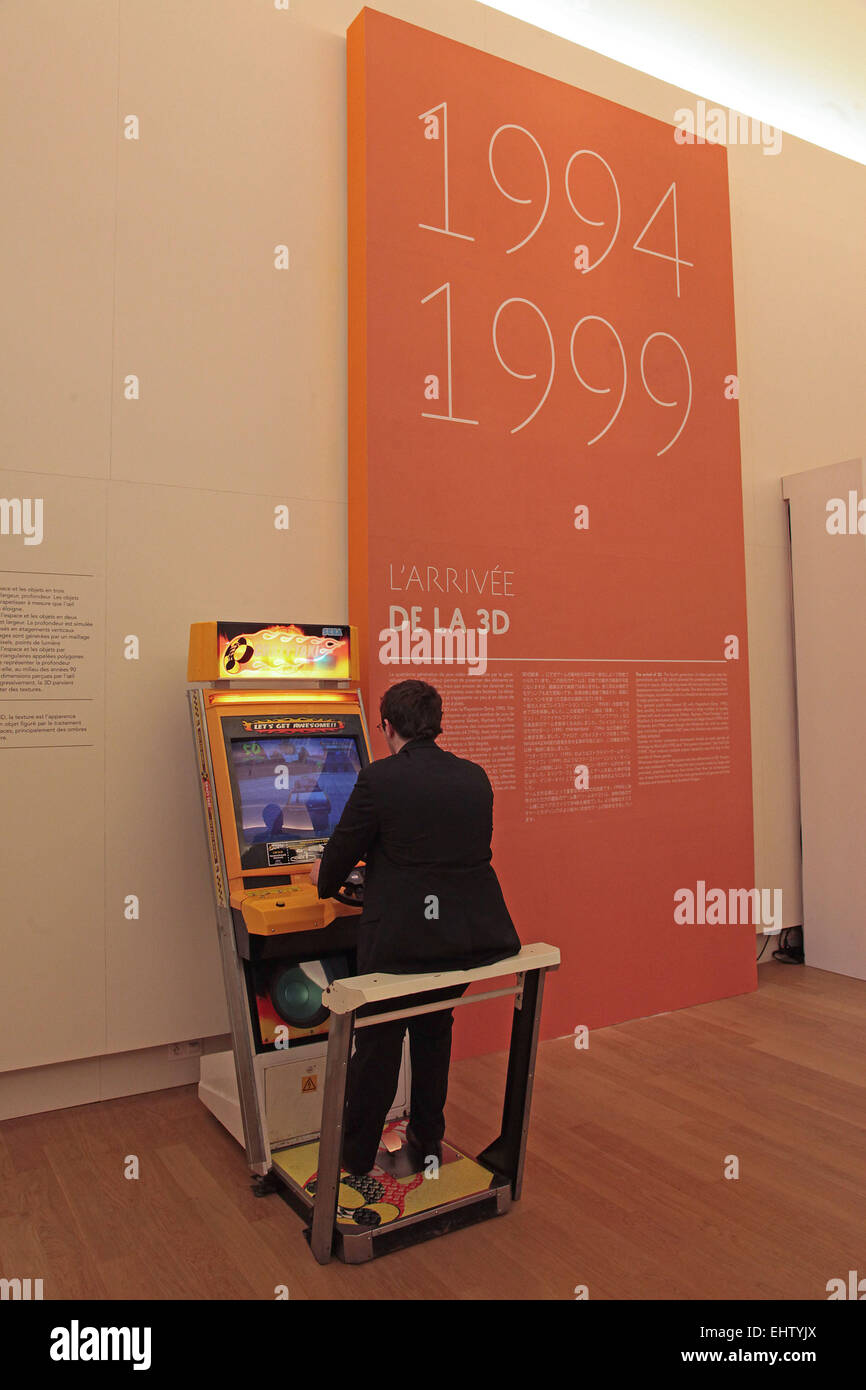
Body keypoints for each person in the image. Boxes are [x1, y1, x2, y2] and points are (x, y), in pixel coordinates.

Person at [310, 678, 520, 1177]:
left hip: (402, 944)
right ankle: (427, 1143)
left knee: (378, 1050)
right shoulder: (474, 777)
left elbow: (332, 871)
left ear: (386, 727)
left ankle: (355, 1159)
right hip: (465, 941)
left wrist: (316, 874)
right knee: (433, 1035)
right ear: (435, 722)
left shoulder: (379, 780)